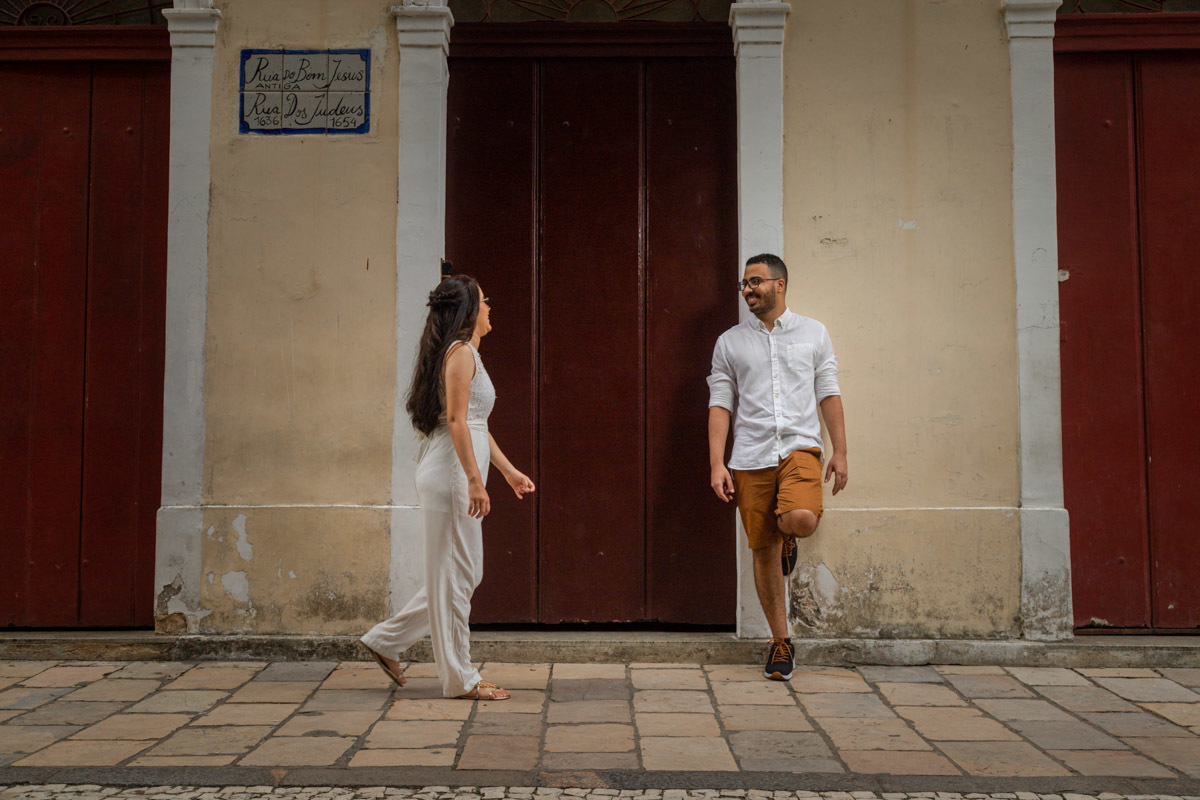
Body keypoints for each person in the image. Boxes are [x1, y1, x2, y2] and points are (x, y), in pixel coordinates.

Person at [361, 274, 535, 700]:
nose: (491, 308)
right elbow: (457, 422)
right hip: (453, 474)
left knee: (461, 573)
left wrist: (509, 471)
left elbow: (476, 423)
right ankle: (460, 678)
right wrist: (476, 481)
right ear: (470, 311)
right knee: (456, 577)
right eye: (485, 301)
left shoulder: (465, 353)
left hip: (456, 471)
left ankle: (386, 640)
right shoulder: (460, 354)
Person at [707, 253, 848, 681]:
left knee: (800, 519)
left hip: (800, 448)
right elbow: (720, 403)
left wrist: (840, 451)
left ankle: (791, 537)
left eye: (756, 282)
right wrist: (717, 462)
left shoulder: (813, 333)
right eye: (744, 284)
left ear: (780, 284)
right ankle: (781, 642)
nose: (748, 289)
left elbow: (828, 391)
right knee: (763, 549)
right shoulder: (729, 342)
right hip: (750, 455)